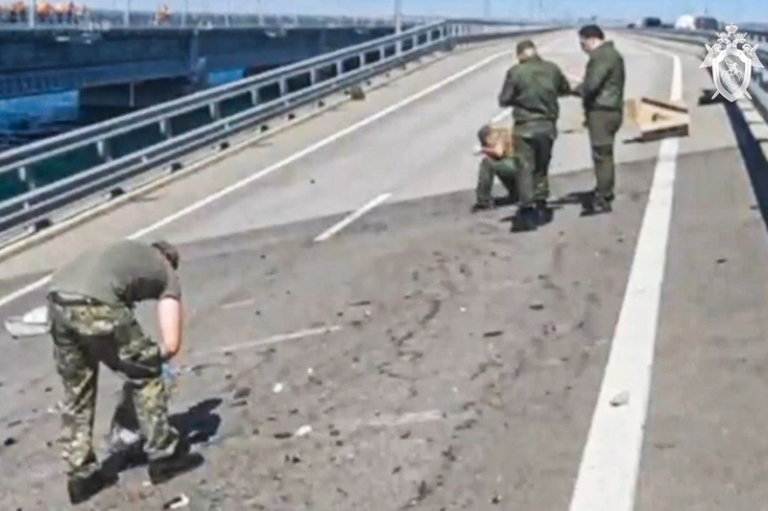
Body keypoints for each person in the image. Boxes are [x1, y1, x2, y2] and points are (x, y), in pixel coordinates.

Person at [46, 239, 203, 504]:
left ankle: (81, 477)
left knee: (77, 391)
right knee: (146, 372)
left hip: (57, 299)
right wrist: (151, 357)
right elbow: (171, 343)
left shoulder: (126, 255)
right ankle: (164, 455)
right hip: (95, 302)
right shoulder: (165, 271)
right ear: (169, 260)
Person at [498, 38, 572, 232]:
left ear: (520, 54)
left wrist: (520, 99)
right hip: (547, 126)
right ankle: (541, 203)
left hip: (525, 127)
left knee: (525, 167)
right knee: (542, 165)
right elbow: (565, 89)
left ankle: (527, 208)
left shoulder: (515, 72)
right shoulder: (552, 69)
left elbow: (504, 100)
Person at [573, 24, 626, 215]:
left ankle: (603, 197)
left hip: (602, 111)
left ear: (591, 39)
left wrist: (574, 89)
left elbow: (592, 85)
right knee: (605, 153)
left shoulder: (601, 57)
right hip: (612, 109)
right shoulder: (612, 54)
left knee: (601, 155)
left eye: (582, 43)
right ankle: (604, 189)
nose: (582, 48)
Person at [472, 124, 520, 212]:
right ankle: (516, 193)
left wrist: (483, 150)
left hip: (518, 165)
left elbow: (499, 152)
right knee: (497, 166)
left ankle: (483, 199)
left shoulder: (499, 136)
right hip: (523, 167)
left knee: (487, 163)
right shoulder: (502, 134)